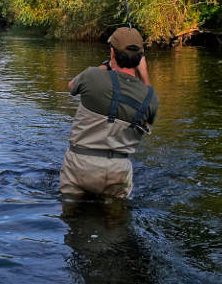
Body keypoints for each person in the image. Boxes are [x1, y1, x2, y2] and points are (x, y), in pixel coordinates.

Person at [59, 27, 159, 199]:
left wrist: (106, 66)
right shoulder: (150, 97)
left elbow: (71, 87)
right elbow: (149, 114)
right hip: (117, 170)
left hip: (79, 164)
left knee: (71, 216)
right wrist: (144, 73)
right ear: (140, 59)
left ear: (112, 53)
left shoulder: (91, 76)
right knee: (116, 221)